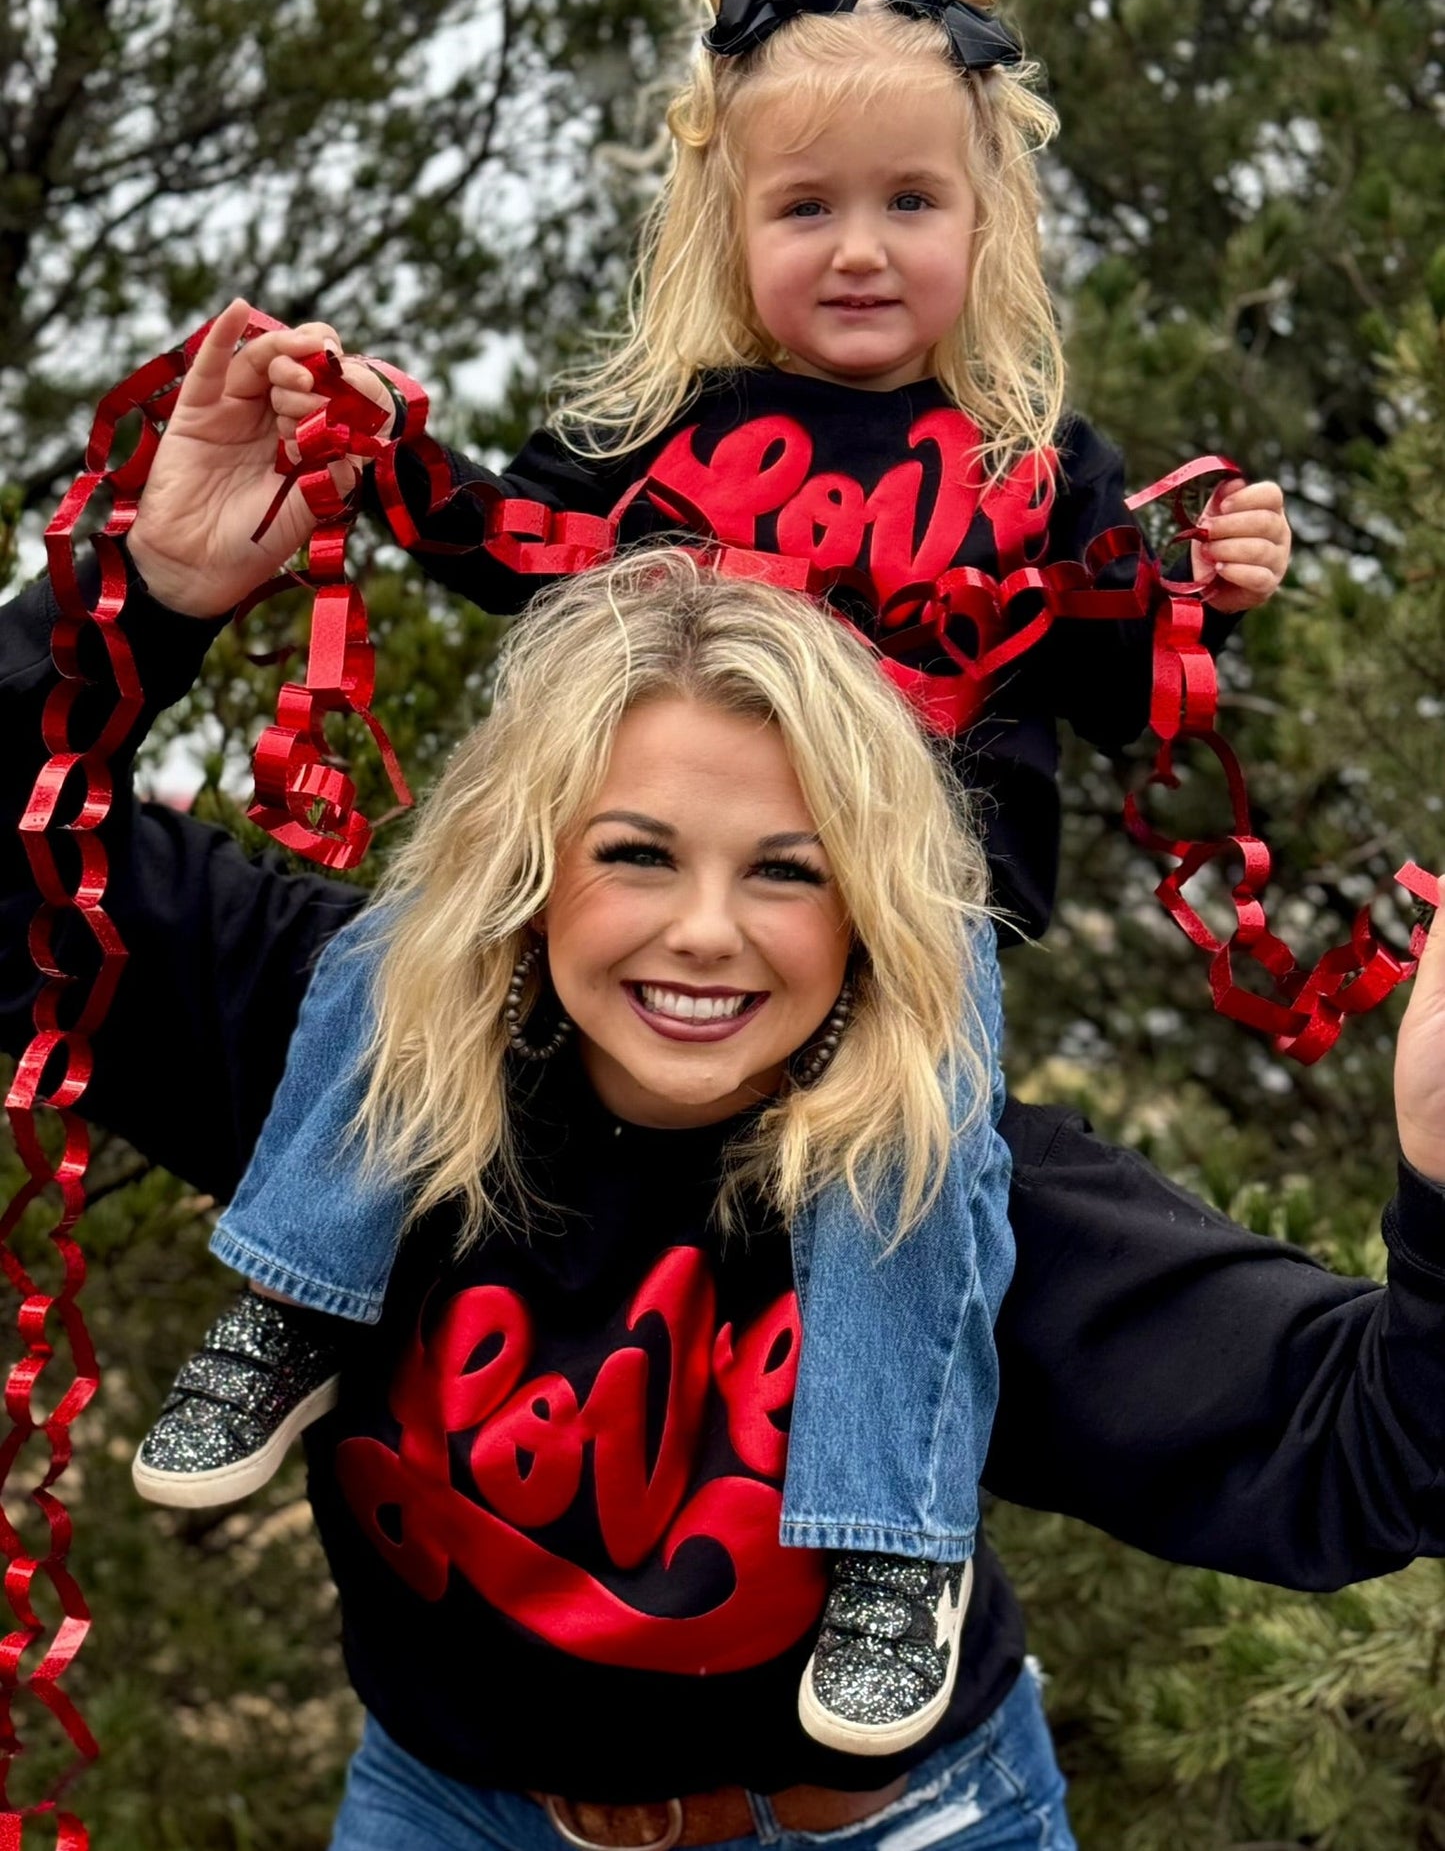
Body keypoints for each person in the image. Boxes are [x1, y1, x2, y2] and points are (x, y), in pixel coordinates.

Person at [119, 0, 1294, 1761]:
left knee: (917, 1161)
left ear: (985, 224)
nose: (856, 246)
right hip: (629, 867)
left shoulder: (1027, 464)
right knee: (389, 951)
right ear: (723, 228)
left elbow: (1129, 685)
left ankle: (886, 1542)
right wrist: (372, 447)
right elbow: (496, 543)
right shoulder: (662, 431)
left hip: (908, 909)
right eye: (804, 203)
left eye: (909, 199)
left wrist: (1204, 598)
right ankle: (294, 1298)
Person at [3, 504, 1442, 1849]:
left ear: (872, 908)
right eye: (635, 853)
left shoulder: (952, 1195)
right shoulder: (345, 1043)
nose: (703, 932)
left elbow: (1363, 1451)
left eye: (786, 872)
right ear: (529, 861)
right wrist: (143, 592)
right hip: (451, 1808)